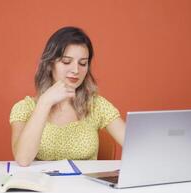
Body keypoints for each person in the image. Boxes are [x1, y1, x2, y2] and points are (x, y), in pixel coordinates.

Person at [9, 26, 126, 166]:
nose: (76, 70)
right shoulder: (24, 108)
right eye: (66, 62)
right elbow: (23, 159)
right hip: (44, 186)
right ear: (50, 64)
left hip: (85, 187)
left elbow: (136, 146)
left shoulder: (97, 105)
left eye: (83, 63)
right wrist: (45, 102)